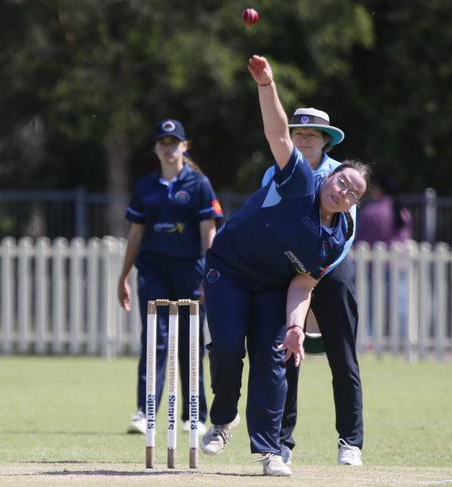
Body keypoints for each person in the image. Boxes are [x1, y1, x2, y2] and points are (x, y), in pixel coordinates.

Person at [199, 55, 369, 477]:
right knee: (225, 349)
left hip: (274, 285)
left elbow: (302, 283)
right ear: (328, 177)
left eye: (353, 191)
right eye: (341, 182)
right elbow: (276, 132)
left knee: (273, 358)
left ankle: (271, 450)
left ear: (354, 202)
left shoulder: (335, 238)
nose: (343, 190)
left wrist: (296, 327)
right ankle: (222, 418)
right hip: (231, 269)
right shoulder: (298, 180)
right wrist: (266, 84)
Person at [260, 107, 364, 467]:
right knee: (287, 354)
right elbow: (266, 220)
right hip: (289, 270)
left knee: (343, 356)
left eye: (311, 136)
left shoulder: (340, 176)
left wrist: (316, 272)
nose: (303, 140)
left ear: (325, 141)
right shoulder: (276, 171)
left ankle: (350, 441)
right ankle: (283, 443)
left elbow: (347, 235)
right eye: (298, 134)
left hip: (332, 269)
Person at [117, 119, 223, 436]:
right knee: (155, 340)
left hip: (191, 269)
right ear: (156, 148)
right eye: (162, 142)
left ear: (184, 146)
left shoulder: (199, 185)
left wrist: (211, 275)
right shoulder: (145, 186)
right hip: (152, 271)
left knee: (190, 342)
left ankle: (195, 415)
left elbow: (210, 233)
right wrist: (122, 276)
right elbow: (135, 236)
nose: (168, 147)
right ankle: (144, 411)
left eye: (173, 142)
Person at [354, 175, 412, 340]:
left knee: (371, 306)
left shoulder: (371, 212)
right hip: (399, 265)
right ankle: (403, 339)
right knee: (401, 305)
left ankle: (369, 338)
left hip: (374, 267)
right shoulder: (403, 212)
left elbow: (361, 241)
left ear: (379, 190)